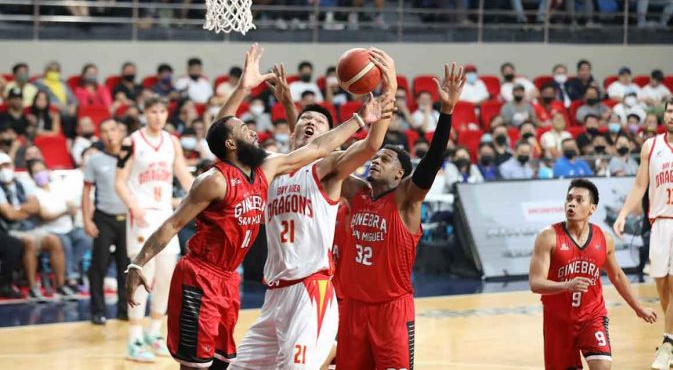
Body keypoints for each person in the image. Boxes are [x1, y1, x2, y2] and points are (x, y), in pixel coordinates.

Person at [124, 43, 391, 370]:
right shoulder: (246, 172)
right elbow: (223, 133)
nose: (251, 129)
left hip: (300, 286)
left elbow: (321, 147)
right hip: (237, 284)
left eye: (317, 121)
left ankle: (328, 352)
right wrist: (244, 90)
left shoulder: (296, 167)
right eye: (243, 130)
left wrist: (367, 111)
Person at [230, 48, 397, 370]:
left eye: (319, 122)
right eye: (304, 120)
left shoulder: (328, 167)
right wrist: (268, 98)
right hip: (275, 295)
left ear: (331, 137)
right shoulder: (271, 168)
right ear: (290, 131)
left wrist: (389, 90)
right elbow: (297, 145)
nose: (310, 123)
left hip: (310, 290)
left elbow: (370, 146)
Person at [332, 63, 463, 370]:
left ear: (400, 174)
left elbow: (431, 163)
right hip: (352, 310)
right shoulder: (356, 192)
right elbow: (325, 159)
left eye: (386, 159)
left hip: (391, 311)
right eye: (375, 157)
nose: (376, 162)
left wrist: (446, 111)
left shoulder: (406, 200)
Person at [529, 178, 657, 370]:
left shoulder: (604, 239)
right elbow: (535, 283)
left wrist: (638, 308)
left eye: (579, 200)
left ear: (592, 208)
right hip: (558, 322)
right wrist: (566, 285)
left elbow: (617, 276)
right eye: (569, 198)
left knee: (602, 366)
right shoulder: (548, 236)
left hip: (592, 316)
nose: (571, 203)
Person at [613, 95, 673, 368]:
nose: (672, 115)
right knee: (661, 288)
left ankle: (667, 344)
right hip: (659, 223)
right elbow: (640, 185)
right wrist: (624, 214)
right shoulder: (651, 146)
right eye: (669, 111)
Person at [115, 95, 195, 362]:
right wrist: (132, 205)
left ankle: (154, 332)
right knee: (141, 276)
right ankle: (133, 340)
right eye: (153, 111)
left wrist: (203, 195)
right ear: (144, 113)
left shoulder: (172, 142)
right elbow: (120, 181)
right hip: (141, 216)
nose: (158, 116)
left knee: (167, 276)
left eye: (162, 110)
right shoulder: (131, 142)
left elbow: (183, 175)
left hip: (166, 217)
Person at [0, 152, 74, 301]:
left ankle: (60, 285)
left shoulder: (23, 183)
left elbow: (35, 207)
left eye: (6, 165)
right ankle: (33, 287)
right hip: (11, 230)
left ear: (12, 166)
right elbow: (9, 215)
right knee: (30, 242)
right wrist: (24, 210)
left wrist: (18, 210)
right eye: (1, 167)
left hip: (31, 227)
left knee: (54, 240)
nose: (4, 170)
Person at [83, 119, 130, 325]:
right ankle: (97, 311)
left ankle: (124, 310)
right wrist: (87, 219)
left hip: (128, 218)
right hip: (103, 218)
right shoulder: (95, 160)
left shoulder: (131, 157)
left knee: (126, 266)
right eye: (104, 131)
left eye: (112, 129)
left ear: (121, 132)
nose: (109, 134)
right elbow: (86, 192)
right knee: (98, 266)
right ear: (100, 135)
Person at [29, 159, 90, 291]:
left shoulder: (59, 186)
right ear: (32, 176)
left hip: (69, 227)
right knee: (65, 243)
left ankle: (71, 270)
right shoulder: (33, 193)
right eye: (36, 172)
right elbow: (45, 215)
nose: (40, 173)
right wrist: (65, 211)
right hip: (50, 231)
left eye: (41, 169)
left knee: (86, 238)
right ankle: (69, 278)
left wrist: (68, 211)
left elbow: (72, 206)